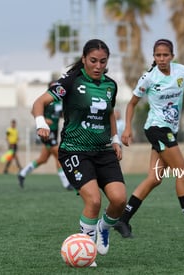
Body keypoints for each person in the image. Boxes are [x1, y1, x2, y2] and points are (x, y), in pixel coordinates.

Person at [32, 39, 126, 265]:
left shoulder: (110, 85)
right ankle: (87, 250)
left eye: (103, 61)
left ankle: (104, 227)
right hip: (75, 150)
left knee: (119, 200)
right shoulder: (70, 81)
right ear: (84, 59)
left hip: (103, 151)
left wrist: (115, 139)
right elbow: (39, 102)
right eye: (93, 61)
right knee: (93, 200)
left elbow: (110, 112)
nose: (98, 66)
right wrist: (40, 123)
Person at [113, 39, 184, 238]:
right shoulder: (149, 77)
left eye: (165, 55)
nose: (161, 59)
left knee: (155, 178)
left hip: (169, 130)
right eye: (158, 55)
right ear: (154, 57)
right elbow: (132, 104)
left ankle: (123, 220)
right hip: (157, 129)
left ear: (172, 56)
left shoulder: (182, 72)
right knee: (183, 172)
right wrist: (126, 130)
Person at [18, 86, 73, 190]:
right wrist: (43, 120)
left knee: (43, 159)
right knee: (59, 154)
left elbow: (59, 114)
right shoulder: (48, 100)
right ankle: (66, 183)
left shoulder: (60, 101)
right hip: (48, 132)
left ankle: (22, 173)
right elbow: (34, 110)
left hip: (55, 132)